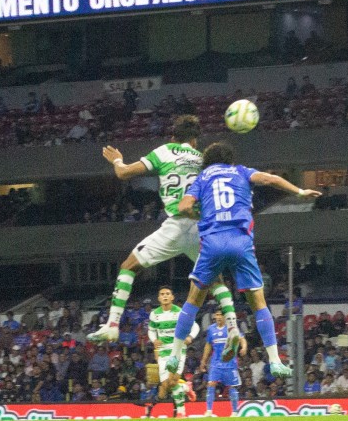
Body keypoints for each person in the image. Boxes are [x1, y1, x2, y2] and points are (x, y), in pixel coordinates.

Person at [164, 142, 321, 379]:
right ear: (230, 159)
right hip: (240, 242)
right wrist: (300, 192)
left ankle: (175, 356)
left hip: (213, 242)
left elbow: (184, 205)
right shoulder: (241, 171)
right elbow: (270, 179)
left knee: (193, 299)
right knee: (258, 302)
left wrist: (200, 214)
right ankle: (276, 361)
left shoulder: (203, 177)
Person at [87, 116, 240, 348]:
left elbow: (124, 173)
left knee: (129, 266)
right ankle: (233, 329)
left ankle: (112, 325)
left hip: (176, 225)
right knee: (216, 280)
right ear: (195, 141)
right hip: (201, 227)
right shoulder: (203, 160)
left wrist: (118, 160)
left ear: (173, 137)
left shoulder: (165, 151)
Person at [147, 285, 199, 418]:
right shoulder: (155, 314)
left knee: (173, 380)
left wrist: (190, 337)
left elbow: (195, 326)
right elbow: (151, 330)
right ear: (159, 298)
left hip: (178, 350)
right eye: (162, 294)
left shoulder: (180, 312)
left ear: (172, 297)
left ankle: (181, 412)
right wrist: (154, 340)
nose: (165, 296)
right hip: (163, 351)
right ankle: (186, 388)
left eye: (167, 294)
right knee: (166, 384)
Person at [200, 309, 247, 417]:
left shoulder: (231, 328)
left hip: (230, 363)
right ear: (214, 316)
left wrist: (244, 347)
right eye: (217, 315)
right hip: (216, 363)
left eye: (221, 315)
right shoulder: (211, 329)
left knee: (232, 387)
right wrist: (204, 360)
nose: (219, 317)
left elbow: (242, 339)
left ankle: (234, 412)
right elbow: (208, 345)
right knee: (211, 384)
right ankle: (209, 411)